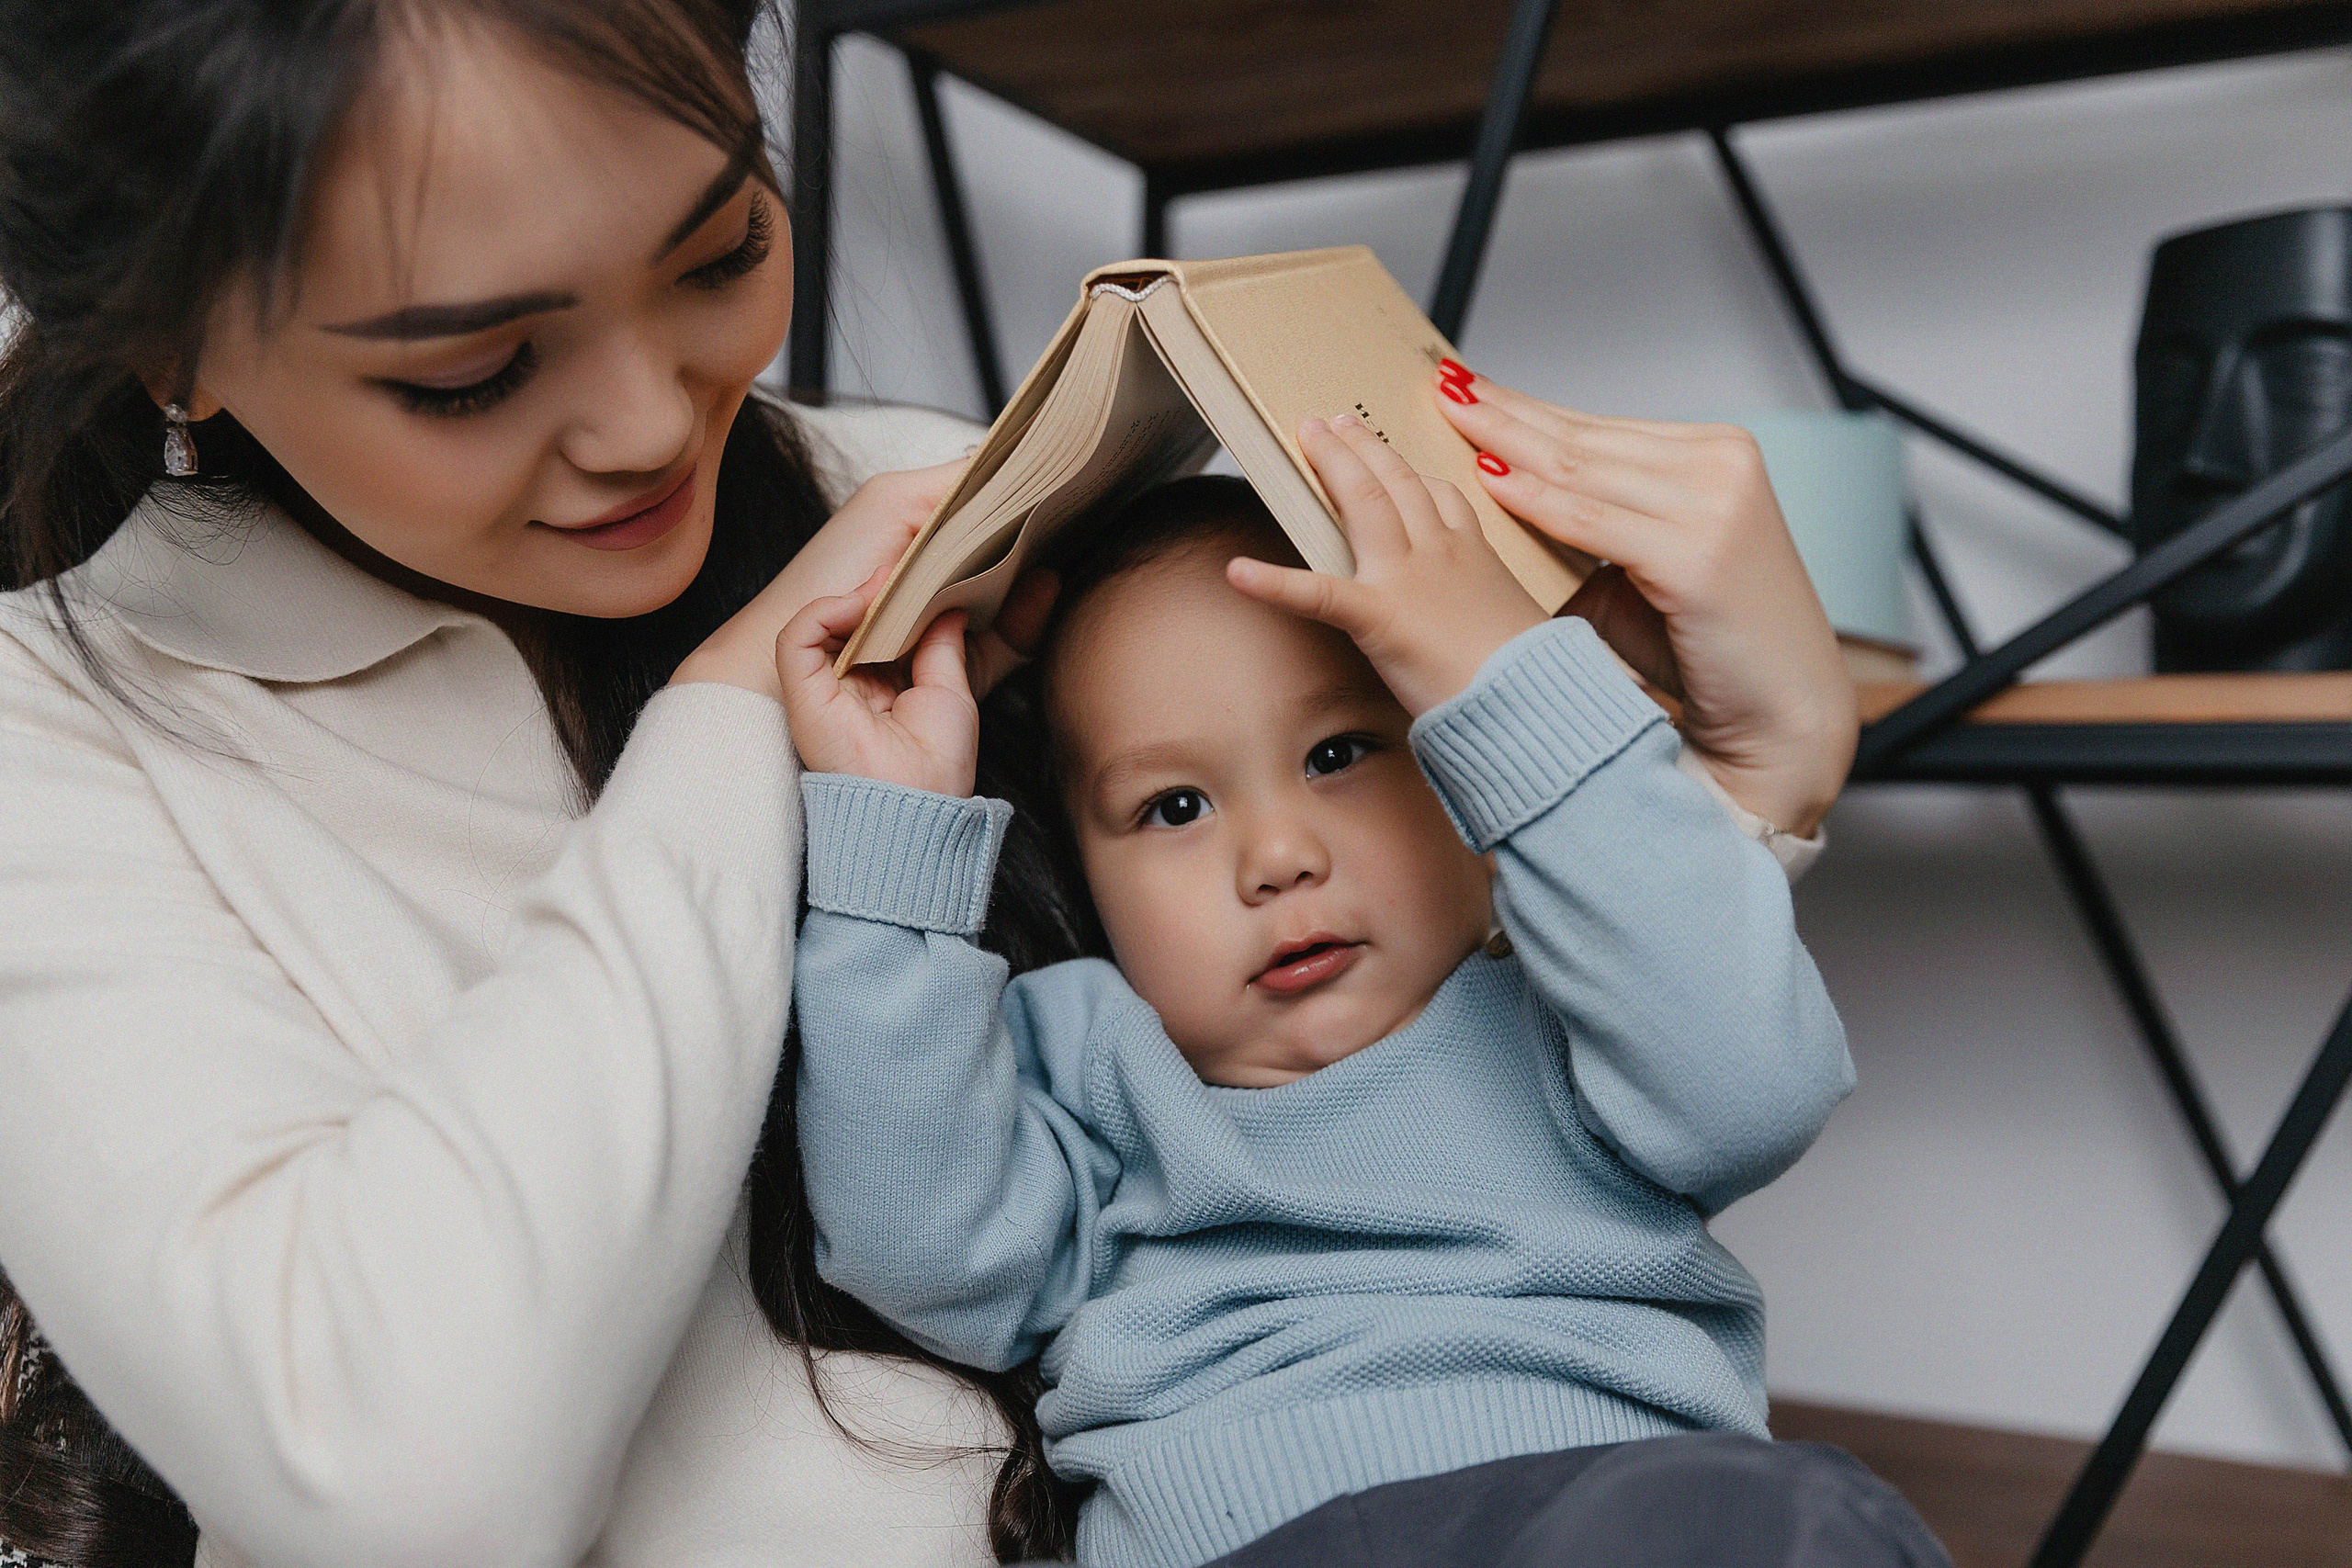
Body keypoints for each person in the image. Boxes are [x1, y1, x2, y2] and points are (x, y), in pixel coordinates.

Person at [0, 2, 1861, 1565]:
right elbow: (411, 1473)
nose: (656, 424)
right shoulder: (62, 743)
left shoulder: (983, 513)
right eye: (475, 368)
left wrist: (1734, 779)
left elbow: (1540, 1026)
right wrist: (738, 713)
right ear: (170, 337)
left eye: (723, 252)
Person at [779, 429, 1944, 1568]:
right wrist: (897, 838)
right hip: (1241, 1535)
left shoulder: (1572, 1005)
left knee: (1790, 1519)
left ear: (1465, 767)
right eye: (1173, 808)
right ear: (1085, 871)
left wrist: (1510, 681)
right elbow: (923, 1252)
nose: (1276, 856)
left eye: (1338, 753)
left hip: (1596, 1509)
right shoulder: (1082, 1050)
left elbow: (1753, 1089)